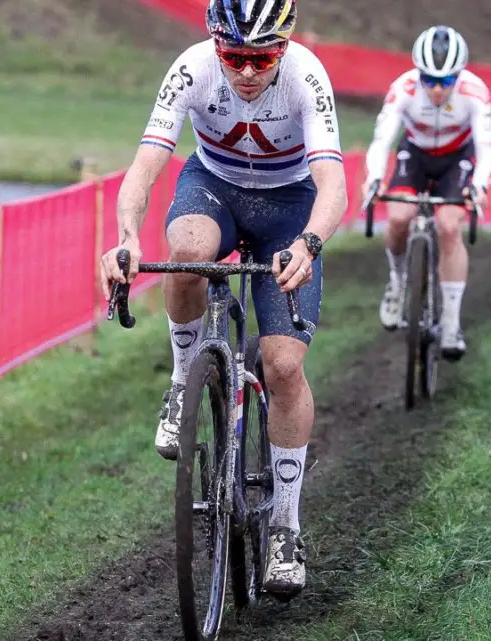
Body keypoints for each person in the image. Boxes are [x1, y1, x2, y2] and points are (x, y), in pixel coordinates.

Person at [97, 0, 347, 597]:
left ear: (283, 47)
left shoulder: (308, 76)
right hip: (212, 187)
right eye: (233, 56)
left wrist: (309, 244)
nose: (246, 72)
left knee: (284, 365)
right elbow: (145, 166)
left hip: (290, 206)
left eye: (261, 58)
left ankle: (285, 525)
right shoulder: (192, 67)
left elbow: (334, 181)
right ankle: (185, 380)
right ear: (215, 44)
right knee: (184, 253)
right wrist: (127, 238)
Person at [361, 25, 491, 360]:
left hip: (457, 159)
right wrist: (375, 178)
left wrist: (479, 187)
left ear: (458, 76)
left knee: (449, 226)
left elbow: (488, 148)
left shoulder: (475, 92)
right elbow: (382, 141)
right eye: (429, 80)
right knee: (398, 216)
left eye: (446, 81)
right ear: (418, 74)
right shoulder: (403, 89)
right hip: (416, 155)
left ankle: (451, 321)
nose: (437, 89)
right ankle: (397, 281)